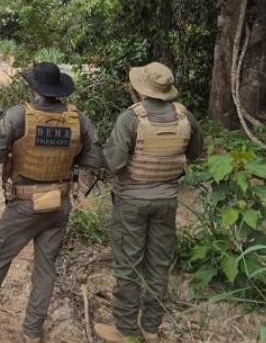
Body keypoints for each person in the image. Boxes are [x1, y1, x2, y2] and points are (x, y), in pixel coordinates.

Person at [0, 62, 105, 342]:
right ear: (58, 89)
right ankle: (32, 331)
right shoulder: (78, 119)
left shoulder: (18, 115)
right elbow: (94, 160)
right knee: (46, 268)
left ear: (34, 88)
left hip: (24, 203)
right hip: (58, 202)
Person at [93, 63, 205, 343]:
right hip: (167, 200)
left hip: (131, 201)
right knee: (158, 264)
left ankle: (126, 330)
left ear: (140, 88)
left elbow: (116, 162)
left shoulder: (130, 118)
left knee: (128, 266)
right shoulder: (185, 116)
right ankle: (152, 328)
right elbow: (195, 152)